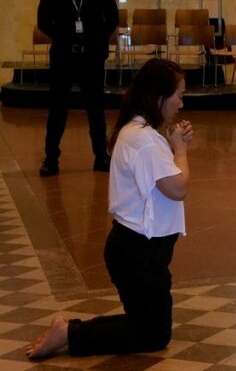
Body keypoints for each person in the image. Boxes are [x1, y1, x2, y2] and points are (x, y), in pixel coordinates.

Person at [26, 58, 193, 360]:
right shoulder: (142, 139)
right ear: (159, 96)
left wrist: (170, 145)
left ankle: (69, 330)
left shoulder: (139, 131)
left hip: (137, 250)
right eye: (178, 94)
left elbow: (157, 179)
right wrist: (180, 150)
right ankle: (69, 332)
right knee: (152, 333)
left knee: (149, 327)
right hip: (138, 252)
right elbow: (177, 188)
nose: (181, 102)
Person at [37, 0, 120, 176]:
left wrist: (96, 40)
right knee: (58, 109)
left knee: (96, 108)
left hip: (92, 57)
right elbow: (43, 21)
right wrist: (64, 38)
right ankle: (51, 159)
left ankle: (101, 156)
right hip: (63, 56)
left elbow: (112, 17)